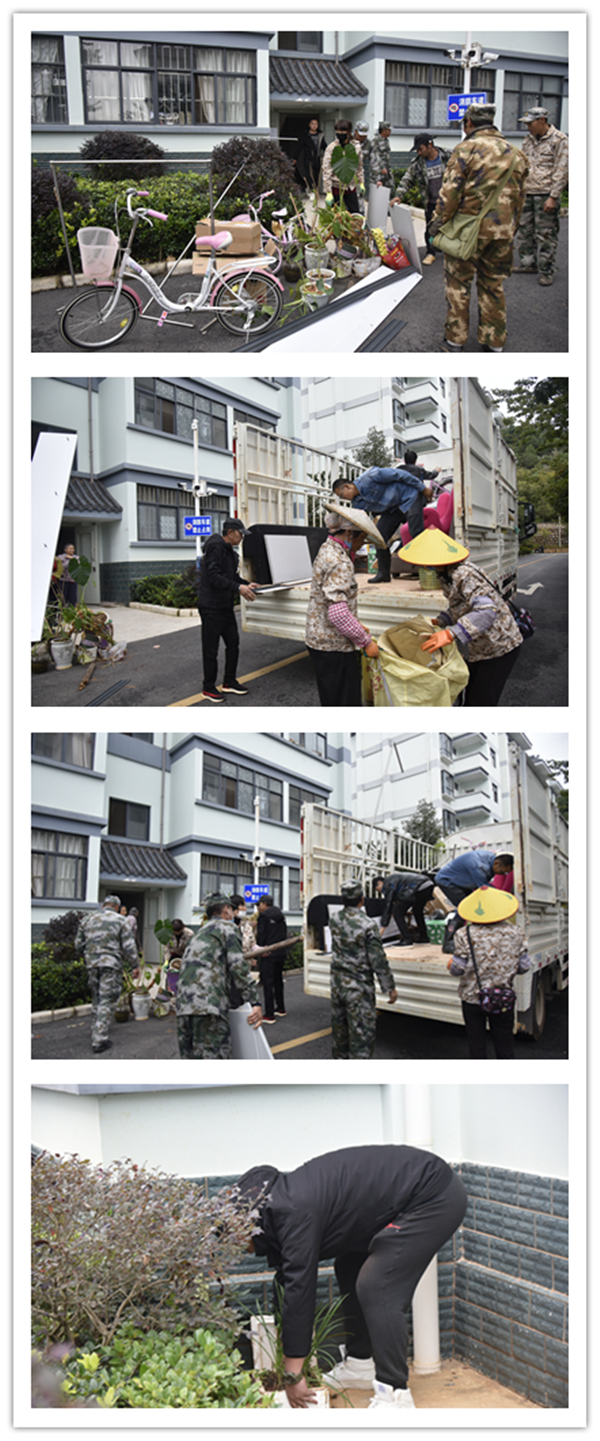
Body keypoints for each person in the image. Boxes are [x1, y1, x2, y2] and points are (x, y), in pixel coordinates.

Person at [234, 1144, 468, 1408]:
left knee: (377, 1285)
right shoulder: (281, 1203)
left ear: (247, 1226)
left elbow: (299, 1291)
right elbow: (288, 1281)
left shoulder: (293, 1213)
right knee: (349, 1266)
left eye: (237, 1242)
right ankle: (360, 1365)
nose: (243, 1250)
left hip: (433, 1196)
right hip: (403, 1197)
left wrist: (292, 1374)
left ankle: (395, 1395)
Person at [428, 103, 528, 353]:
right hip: (503, 233)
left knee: (458, 284)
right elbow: (521, 198)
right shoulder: (517, 154)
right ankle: (494, 342)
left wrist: (436, 224)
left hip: (468, 233)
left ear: (469, 123)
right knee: (493, 285)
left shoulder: (465, 150)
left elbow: (449, 195)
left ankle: (455, 340)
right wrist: (511, 230)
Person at [396, 527, 524, 705]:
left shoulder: (464, 575)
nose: (424, 567)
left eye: (426, 562)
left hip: (499, 647)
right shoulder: (445, 575)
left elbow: (487, 611)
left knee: (480, 702)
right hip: (480, 648)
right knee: (469, 695)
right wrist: (440, 621)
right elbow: (460, 606)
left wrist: (451, 633)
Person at [305, 510, 380, 706]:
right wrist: (366, 642)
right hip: (334, 646)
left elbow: (333, 602)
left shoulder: (327, 549)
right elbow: (338, 614)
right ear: (348, 533)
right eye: (362, 538)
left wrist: (354, 624)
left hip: (320, 639)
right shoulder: (338, 561)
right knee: (344, 702)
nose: (362, 544)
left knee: (331, 699)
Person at [334, 448, 441, 585]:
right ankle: (384, 573)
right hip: (393, 509)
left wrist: (422, 488)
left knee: (416, 532)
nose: (343, 499)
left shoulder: (371, 476)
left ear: (347, 486)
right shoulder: (357, 503)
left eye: (341, 495)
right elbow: (362, 521)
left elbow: (401, 475)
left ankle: (432, 570)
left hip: (409, 496)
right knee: (380, 536)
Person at [175, 894, 263, 1058]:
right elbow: (238, 967)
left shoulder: (198, 933)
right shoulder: (227, 928)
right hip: (208, 1005)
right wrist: (255, 1001)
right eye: (232, 909)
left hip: (183, 1005)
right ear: (227, 910)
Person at [448, 885, 531, 1059]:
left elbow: (457, 970)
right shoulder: (516, 932)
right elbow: (524, 967)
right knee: (505, 1045)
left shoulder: (464, 933)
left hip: (473, 998)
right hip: (503, 997)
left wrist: (451, 964)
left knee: (476, 1046)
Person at [330, 879, 397, 1058]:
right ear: (362, 899)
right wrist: (389, 987)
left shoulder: (334, 919)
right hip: (359, 990)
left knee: (340, 1036)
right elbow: (378, 960)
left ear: (342, 899)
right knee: (361, 1040)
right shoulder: (368, 924)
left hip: (337, 987)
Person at [197, 517, 260, 703]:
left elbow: (231, 577)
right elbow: (214, 576)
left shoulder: (230, 553)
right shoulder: (216, 547)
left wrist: (247, 584)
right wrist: (238, 588)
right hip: (211, 606)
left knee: (233, 643)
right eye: (240, 534)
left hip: (224, 606)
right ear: (230, 532)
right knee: (211, 649)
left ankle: (229, 681)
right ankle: (208, 687)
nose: (242, 538)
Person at [75, 894, 139, 1053]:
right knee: (107, 999)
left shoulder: (87, 919)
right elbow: (129, 946)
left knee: (96, 997)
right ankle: (99, 1040)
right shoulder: (120, 920)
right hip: (110, 964)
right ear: (117, 907)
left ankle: (96, 1028)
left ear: (103, 905)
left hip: (91, 964)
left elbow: (78, 944)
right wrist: (135, 966)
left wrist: (91, 953)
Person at [513, 106, 568, 286]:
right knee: (524, 231)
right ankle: (528, 264)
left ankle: (546, 270)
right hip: (527, 193)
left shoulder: (559, 140)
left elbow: (562, 170)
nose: (528, 127)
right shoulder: (528, 140)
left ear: (542, 120)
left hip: (545, 194)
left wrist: (554, 196)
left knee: (546, 234)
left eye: (530, 123)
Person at [391, 133, 452, 264]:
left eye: (421, 149)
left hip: (450, 201)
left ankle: (452, 252)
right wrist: (398, 195)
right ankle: (431, 252)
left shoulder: (448, 156)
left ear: (430, 145)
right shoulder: (418, 163)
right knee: (430, 229)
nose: (419, 152)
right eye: (417, 150)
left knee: (452, 227)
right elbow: (407, 179)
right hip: (431, 202)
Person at [435, 851, 514, 908]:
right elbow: (485, 888)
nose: (502, 875)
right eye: (503, 872)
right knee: (465, 906)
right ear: (496, 863)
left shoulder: (490, 859)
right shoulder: (479, 866)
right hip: (447, 880)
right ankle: (454, 925)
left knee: (472, 904)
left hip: (462, 881)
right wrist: (503, 898)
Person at [379, 871, 435, 946]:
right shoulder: (396, 880)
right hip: (428, 885)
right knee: (417, 911)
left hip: (418, 887)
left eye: (378, 889)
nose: (381, 892)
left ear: (380, 883)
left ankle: (406, 939)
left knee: (397, 912)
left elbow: (388, 904)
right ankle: (424, 937)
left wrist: (383, 926)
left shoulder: (387, 883)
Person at [323, 118, 365, 214]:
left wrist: (362, 182)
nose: (339, 133)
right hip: (336, 186)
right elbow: (327, 170)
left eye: (342, 131)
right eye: (337, 131)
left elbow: (359, 167)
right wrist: (328, 191)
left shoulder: (356, 147)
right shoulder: (332, 148)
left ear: (349, 132)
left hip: (350, 186)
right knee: (337, 216)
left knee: (354, 214)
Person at [256, 894, 287, 1022]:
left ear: (264, 904)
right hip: (281, 952)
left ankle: (269, 1014)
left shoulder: (263, 916)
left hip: (268, 953)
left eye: (259, 904)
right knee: (278, 980)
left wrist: (260, 950)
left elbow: (261, 935)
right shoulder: (280, 915)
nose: (258, 907)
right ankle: (281, 1008)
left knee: (268, 983)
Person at [161, 917, 194, 996]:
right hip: (172, 955)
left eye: (179, 932)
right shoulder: (168, 933)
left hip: (184, 955)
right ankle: (169, 992)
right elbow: (167, 948)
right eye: (175, 932)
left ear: (183, 928)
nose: (177, 933)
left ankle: (184, 993)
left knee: (185, 975)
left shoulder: (189, 934)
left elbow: (192, 948)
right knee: (170, 975)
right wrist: (166, 960)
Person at [295, 117, 326, 191]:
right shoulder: (305, 135)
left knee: (316, 175)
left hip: (317, 159)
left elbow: (324, 146)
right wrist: (295, 158)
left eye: (316, 124)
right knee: (309, 175)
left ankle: (315, 190)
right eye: (312, 124)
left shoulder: (320, 135)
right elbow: (299, 147)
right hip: (308, 158)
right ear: (309, 125)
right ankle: (310, 190)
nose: (314, 126)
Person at [369, 120, 394, 193]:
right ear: (384, 130)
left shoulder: (386, 141)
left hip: (387, 172)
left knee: (391, 191)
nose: (390, 131)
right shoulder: (375, 141)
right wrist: (382, 168)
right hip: (378, 173)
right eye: (389, 130)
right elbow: (374, 157)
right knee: (378, 193)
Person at [353, 121, 371, 192]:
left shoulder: (369, 144)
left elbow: (374, 161)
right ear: (355, 131)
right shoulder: (347, 141)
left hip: (359, 174)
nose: (363, 137)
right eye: (361, 135)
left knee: (358, 195)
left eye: (365, 135)